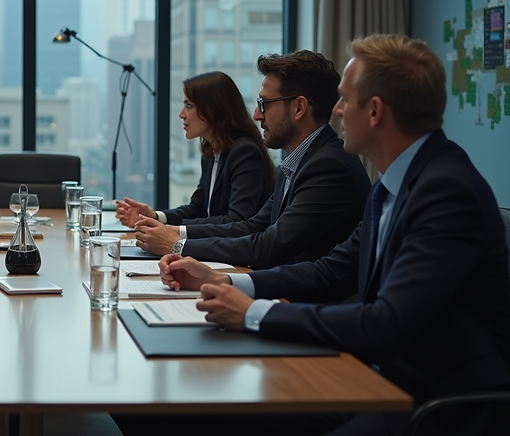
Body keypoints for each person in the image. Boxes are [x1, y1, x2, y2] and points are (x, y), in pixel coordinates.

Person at [121, 34, 510, 435]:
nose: (337, 110)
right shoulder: (394, 184)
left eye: (345, 99)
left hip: (431, 404)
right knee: (172, 409)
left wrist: (253, 312)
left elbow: (385, 324)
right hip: (376, 377)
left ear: (375, 111)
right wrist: (225, 279)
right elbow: (331, 270)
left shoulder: (446, 192)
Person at [133, 50, 371, 269]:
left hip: (306, 304)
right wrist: (172, 232)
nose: (257, 115)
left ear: (299, 108)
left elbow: (268, 247)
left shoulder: (328, 166)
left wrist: (176, 245)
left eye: (264, 104)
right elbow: (254, 226)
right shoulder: (297, 162)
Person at [115, 71, 274, 229]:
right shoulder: (211, 152)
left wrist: (172, 230)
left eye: (189, 105)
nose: (181, 114)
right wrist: (155, 217)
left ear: (214, 109)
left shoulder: (244, 152)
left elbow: (237, 220)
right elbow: (197, 209)